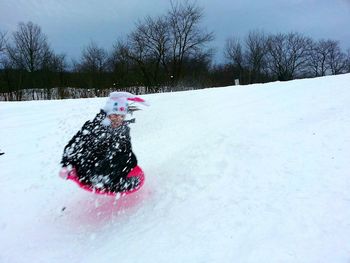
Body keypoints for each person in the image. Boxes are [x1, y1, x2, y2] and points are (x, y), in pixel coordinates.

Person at [60, 92, 146, 194]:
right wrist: (67, 164)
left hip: (110, 170)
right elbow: (74, 145)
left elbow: (127, 151)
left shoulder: (123, 130)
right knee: (100, 150)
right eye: (114, 115)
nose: (118, 119)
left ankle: (112, 180)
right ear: (107, 114)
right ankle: (102, 179)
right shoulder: (93, 127)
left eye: (121, 116)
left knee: (124, 155)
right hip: (89, 168)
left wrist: (131, 163)